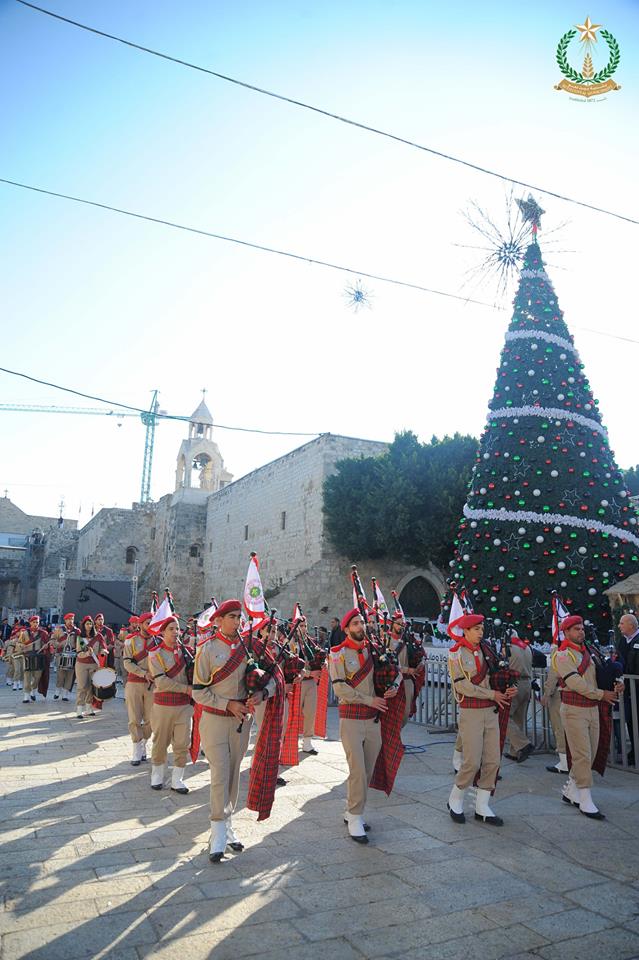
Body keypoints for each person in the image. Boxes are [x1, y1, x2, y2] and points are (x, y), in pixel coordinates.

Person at [192, 600, 275, 862]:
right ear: (218, 620)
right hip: (215, 720)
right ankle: (216, 830)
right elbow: (198, 692)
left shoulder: (249, 647)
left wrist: (262, 693)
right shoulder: (206, 650)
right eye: (231, 616)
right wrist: (227, 704)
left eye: (239, 616)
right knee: (220, 773)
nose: (237, 621)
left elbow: (272, 677)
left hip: (241, 722)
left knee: (234, 774)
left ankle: (227, 826)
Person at [447, 613, 516, 827]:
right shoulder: (455, 654)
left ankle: (482, 805)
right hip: (471, 711)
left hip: (491, 711)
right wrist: (491, 694)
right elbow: (462, 686)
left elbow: (498, 675)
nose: (480, 633)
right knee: (472, 761)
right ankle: (455, 799)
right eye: (476, 629)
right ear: (466, 631)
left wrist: (508, 688)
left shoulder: (488, 651)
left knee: (493, 760)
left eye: (482, 629)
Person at [554, 614, 623, 819]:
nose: (581, 632)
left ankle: (571, 790)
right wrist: (602, 694)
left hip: (592, 707)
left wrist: (617, 684)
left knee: (590, 753)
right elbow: (576, 683)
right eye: (576, 629)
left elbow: (603, 674)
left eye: (582, 628)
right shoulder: (563, 655)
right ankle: (585, 798)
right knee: (582, 754)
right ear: (566, 632)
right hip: (574, 709)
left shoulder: (591, 651)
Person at [329, 609, 388, 844]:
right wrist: (368, 699)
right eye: (355, 623)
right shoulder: (337, 654)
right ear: (346, 629)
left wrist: (389, 687)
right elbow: (340, 688)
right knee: (357, 771)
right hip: (352, 718)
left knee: (368, 771)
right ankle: (355, 816)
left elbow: (384, 676)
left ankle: (352, 809)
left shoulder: (374, 651)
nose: (360, 626)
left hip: (373, 719)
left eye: (361, 622)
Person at [147, 611, 193, 794]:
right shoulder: (155, 654)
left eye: (178, 629)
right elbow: (161, 682)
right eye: (171, 629)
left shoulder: (186, 652)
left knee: (182, 743)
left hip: (184, 706)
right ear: (163, 632)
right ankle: (157, 776)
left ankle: (177, 780)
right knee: (160, 742)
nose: (175, 632)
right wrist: (187, 689)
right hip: (163, 705)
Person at [123, 612, 156, 765]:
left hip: (152, 686)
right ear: (141, 624)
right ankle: (137, 747)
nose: (150, 626)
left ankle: (144, 742)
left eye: (152, 623)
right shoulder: (131, 640)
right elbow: (127, 663)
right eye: (147, 623)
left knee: (151, 719)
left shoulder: (158, 641)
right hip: (134, 683)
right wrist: (143, 673)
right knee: (134, 718)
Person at [504, 631, 534, 763]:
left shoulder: (508, 647)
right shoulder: (526, 647)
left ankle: (523, 745)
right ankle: (515, 752)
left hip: (514, 683)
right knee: (519, 719)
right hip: (527, 683)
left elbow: (504, 665)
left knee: (504, 717)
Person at [541, 636, 568, 774]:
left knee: (559, 728)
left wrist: (546, 693)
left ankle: (564, 763)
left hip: (559, 694)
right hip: (573, 694)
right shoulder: (578, 649)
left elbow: (553, 674)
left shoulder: (559, 651)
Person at [617, 613, 639, 764]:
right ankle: (635, 753)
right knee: (631, 721)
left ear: (631, 625)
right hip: (629, 690)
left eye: (622, 623)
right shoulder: (623, 641)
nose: (619, 626)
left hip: (636, 688)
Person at [75, 616, 107, 718]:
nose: (89, 626)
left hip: (94, 664)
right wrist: (86, 654)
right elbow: (79, 652)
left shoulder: (98, 637)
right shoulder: (80, 638)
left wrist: (103, 652)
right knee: (82, 686)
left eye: (90, 624)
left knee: (91, 687)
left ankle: (89, 708)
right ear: (83, 626)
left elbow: (103, 648)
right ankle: (79, 709)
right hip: (82, 664)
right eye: (87, 624)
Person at [17, 615, 49, 703]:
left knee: (37, 677)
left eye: (37, 622)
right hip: (28, 656)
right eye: (34, 622)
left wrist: (46, 646)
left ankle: (33, 690)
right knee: (27, 676)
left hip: (39, 657)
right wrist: (22, 646)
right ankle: (26, 696)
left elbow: (48, 645)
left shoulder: (43, 633)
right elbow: (19, 643)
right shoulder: (25, 633)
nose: (35, 624)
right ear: (30, 623)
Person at [54, 612, 79, 701]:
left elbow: (82, 642)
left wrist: (80, 647)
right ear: (65, 620)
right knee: (61, 673)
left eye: (72, 619)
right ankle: (58, 689)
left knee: (70, 674)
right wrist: (58, 644)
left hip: (72, 655)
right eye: (69, 619)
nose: (71, 621)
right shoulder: (59, 629)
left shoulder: (77, 631)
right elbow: (53, 640)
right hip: (61, 654)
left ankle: (65, 693)